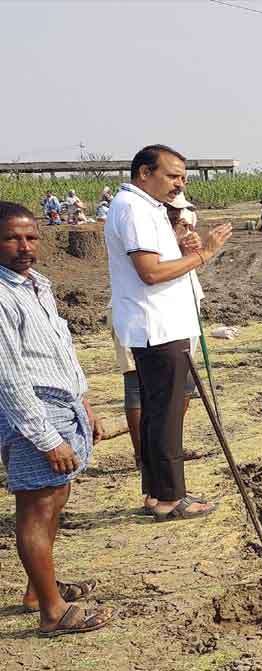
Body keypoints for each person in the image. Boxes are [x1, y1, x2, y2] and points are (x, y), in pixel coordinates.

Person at [0, 202, 113, 637]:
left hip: (61, 403)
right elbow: (8, 378)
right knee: (36, 504)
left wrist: (82, 402)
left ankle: (39, 588)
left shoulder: (36, 285)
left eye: (31, 236)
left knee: (56, 495)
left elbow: (60, 351)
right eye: (12, 237)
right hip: (32, 411)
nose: (25, 246)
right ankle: (51, 611)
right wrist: (46, 438)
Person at [106, 145, 230, 522]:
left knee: (159, 410)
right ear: (144, 172)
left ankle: (157, 491)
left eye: (183, 177)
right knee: (166, 414)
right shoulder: (133, 208)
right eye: (173, 175)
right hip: (157, 325)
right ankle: (169, 497)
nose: (180, 183)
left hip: (163, 323)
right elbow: (150, 272)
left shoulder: (149, 208)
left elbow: (157, 260)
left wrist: (179, 246)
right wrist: (205, 254)